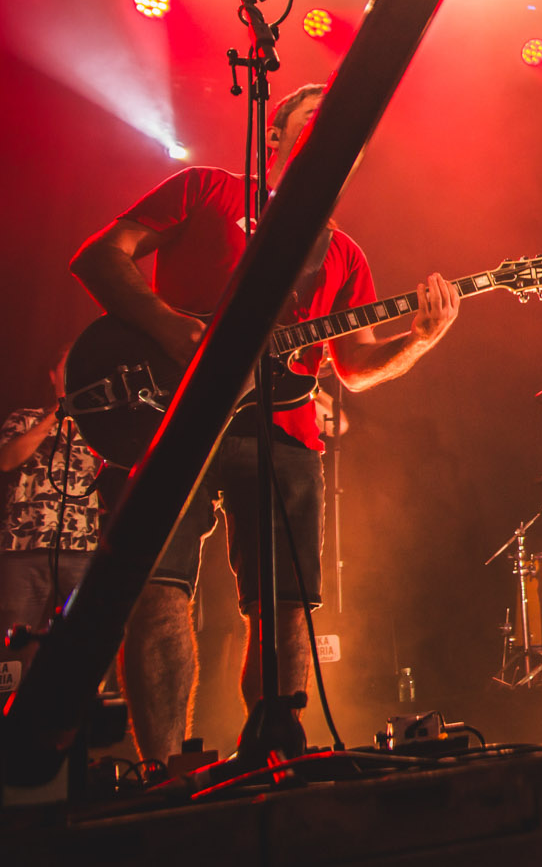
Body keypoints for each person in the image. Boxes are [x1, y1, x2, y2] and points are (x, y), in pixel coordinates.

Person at [70, 82, 461, 764]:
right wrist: (166, 324)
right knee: (157, 587)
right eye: (313, 116)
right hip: (173, 413)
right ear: (272, 134)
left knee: (287, 604)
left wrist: (420, 340)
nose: (331, 126)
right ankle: (163, 770)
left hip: (283, 430)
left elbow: (354, 367)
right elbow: (100, 254)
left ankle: (273, 758)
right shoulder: (208, 189)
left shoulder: (343, 253)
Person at [0, 352, 101, 681]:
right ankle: (8, 706)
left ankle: (75, 707)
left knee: (84, 640)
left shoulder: (98, 430)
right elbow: (7, 460)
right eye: (65, 367)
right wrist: (54, 418)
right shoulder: (25, 418)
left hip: (81, 549)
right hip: (24, 549)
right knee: (12, 645)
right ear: (52, 375)